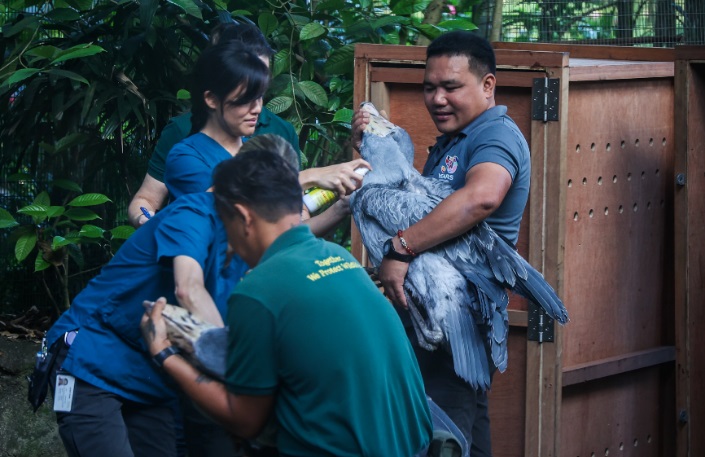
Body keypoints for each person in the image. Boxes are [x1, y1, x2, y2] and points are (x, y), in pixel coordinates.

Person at [140, 139, 434, 457]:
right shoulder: (339, 257)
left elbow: (244, 421)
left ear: (243, 217)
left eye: (224, 227)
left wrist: (164, 354)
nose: (227, 244)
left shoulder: (258, 292)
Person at [352, 31, 531, 456]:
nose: (437, 99)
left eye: (451, 87)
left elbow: (482, 197)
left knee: (438, 441)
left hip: (455, 319)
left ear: (488, 85)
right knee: (465, 436)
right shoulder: (455, 140)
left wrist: (401, 248)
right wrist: (368, 147)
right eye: (430, 87)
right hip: (442, 324)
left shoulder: (495, 136)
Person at [40, 189, 245, 457]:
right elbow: (188, 289)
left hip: (150, 376)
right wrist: (231, 364)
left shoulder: (245, 242)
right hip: (90, 361)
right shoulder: (193, 214)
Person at [128, 21, 368, 228]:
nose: (255, 88)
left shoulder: (280, 133)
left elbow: (291, 226)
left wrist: (342, 207)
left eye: (260, 80)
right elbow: (217, 207)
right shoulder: (185, 145)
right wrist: (151, 227)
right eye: (245, 78)